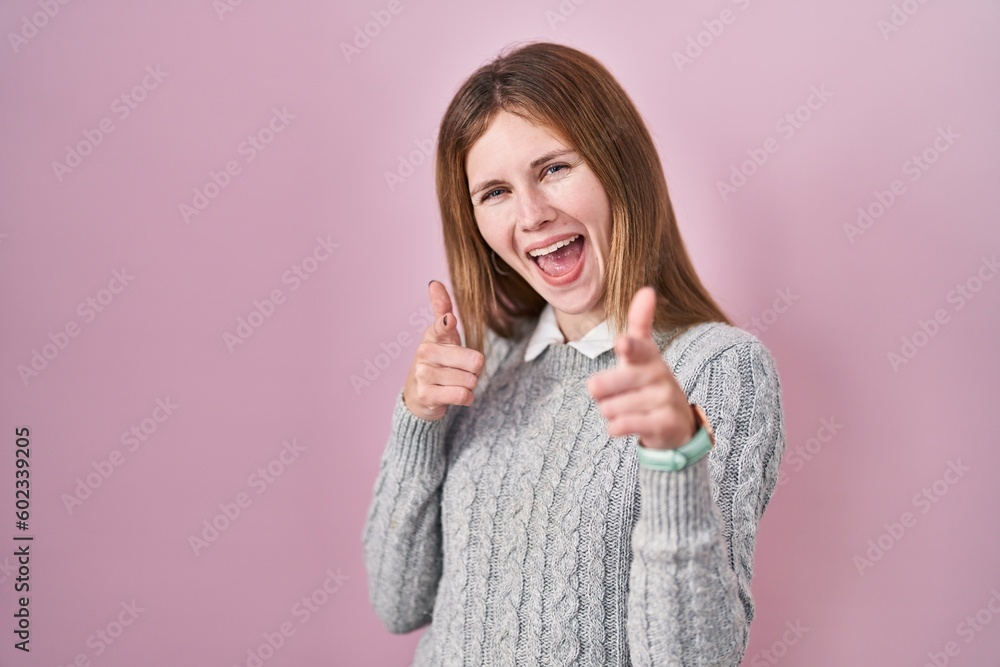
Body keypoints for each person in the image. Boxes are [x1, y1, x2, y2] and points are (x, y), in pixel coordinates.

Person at [362, 41, 786, 666]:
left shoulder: (719, 370)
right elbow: (396, 602)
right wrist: (416, 424)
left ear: (618, 168)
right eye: (495, 192)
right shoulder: (488, 363)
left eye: (555, 168)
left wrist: (674, 460)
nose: (533, 215)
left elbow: (691, 659)